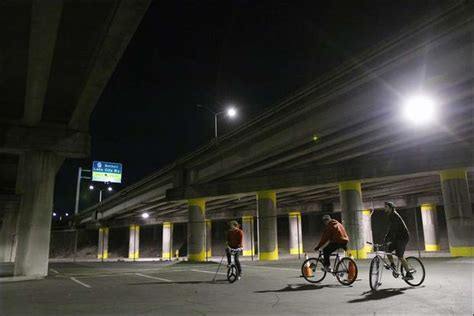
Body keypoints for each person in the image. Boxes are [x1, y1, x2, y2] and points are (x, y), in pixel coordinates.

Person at [384, 201, 413, 280]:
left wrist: (391, 240)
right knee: (387, 249)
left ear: (390, 208)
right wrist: (386, 238)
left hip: (403, 237)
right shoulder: (391, 215)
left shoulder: (395, 215)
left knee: (400, 256)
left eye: (386, 207)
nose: (384, 208)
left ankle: (409, 274)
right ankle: (392, 265)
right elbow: (391, 228)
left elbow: (395, 230)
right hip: (398, 237)